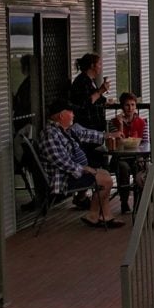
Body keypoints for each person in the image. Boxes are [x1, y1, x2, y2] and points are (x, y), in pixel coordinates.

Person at [37, 98, 125, 228]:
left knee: (105, 175)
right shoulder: (50, 134)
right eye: (71, 112)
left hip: (72, 174)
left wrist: (109, 135)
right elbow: (61, 161)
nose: (74, 115)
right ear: (61, 115)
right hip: (63, 178)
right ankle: (94, 215)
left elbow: (86, 134)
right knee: (105, 181)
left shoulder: (65, 130)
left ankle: (102, 216)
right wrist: (84, 168)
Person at [69, 52, 112, 167]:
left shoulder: (90, 81)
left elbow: (96, 99)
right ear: (92, 65)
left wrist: (105, 100)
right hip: (86, 128)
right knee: (94, 161)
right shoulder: (82, 81)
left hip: (94, 128)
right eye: (99, 64)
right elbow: (86, 103)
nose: (101, 67)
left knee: (100, 159)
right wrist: (100, 91)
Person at [110, 92, 148, 214]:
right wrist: (120, 125)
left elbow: (146, 142)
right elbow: (118, 143)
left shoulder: (142, 122)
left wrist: (141, 154)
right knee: (123, 168)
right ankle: (124, 201)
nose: (130, 108)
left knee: (140, 169)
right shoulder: (114, 122)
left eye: (133, 105)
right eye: (127, 105)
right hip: (120, 157)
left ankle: (138, 205)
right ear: (122, 106)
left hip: (136, 156)